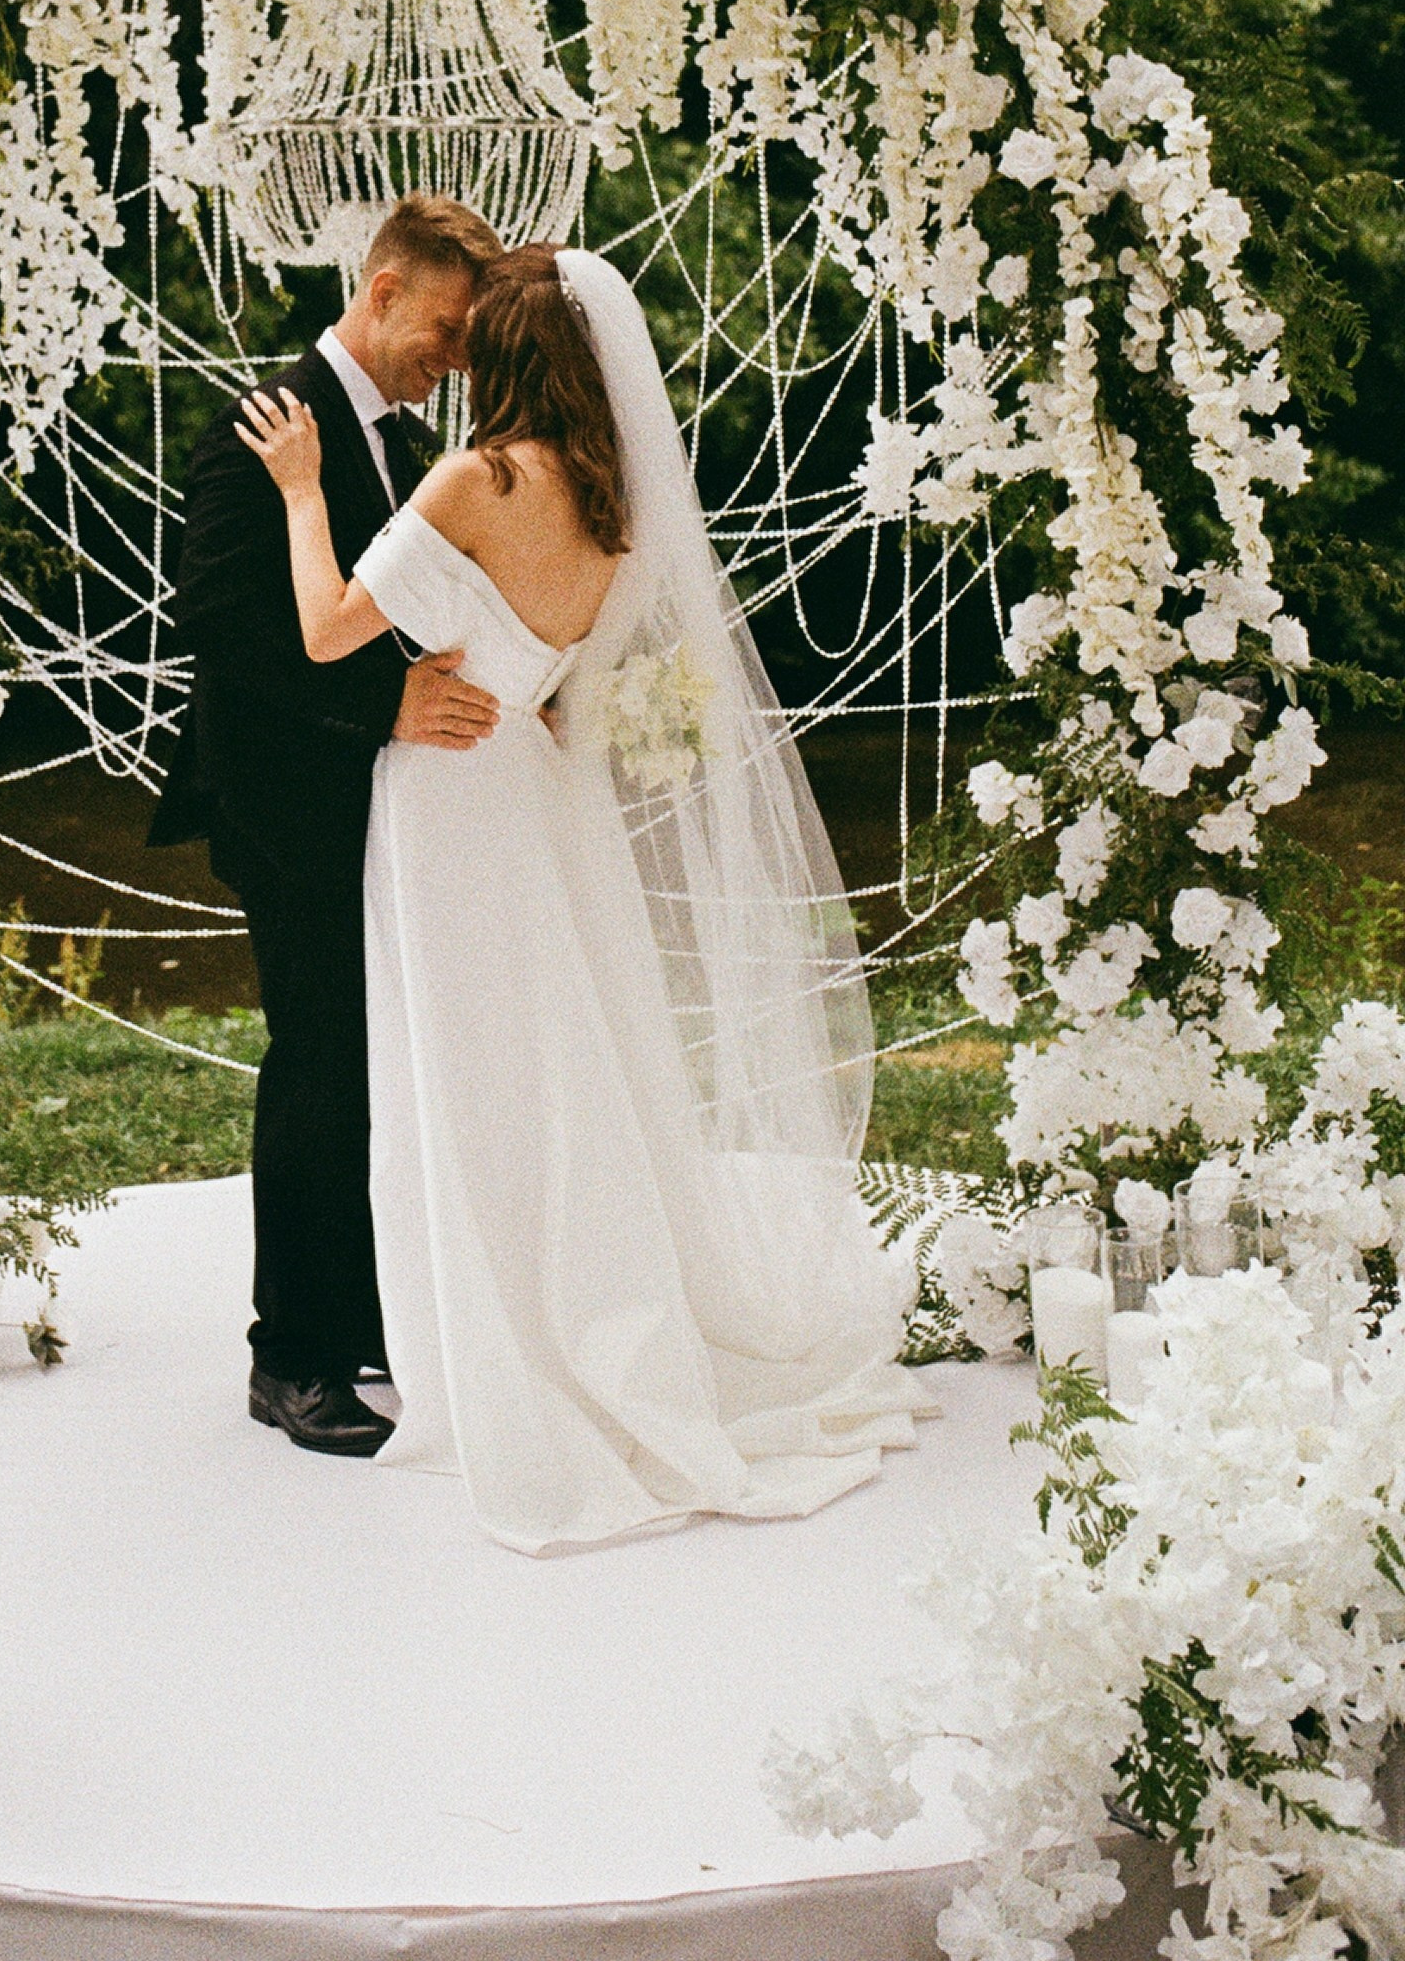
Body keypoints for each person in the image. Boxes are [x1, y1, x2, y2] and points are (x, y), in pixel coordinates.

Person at [235, 242, 921, 1555]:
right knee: (554, 1068)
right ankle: (585, 1313)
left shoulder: (477, 479)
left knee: (468, 1074)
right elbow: (559, 690)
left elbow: (327, 627)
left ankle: (499, 1346)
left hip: (440, 804)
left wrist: (302, 489)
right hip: (531, 798)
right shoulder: (613, 513)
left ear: (507, 357)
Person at [149, 194, 505, 1456]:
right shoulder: (260, 426)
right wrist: (385, 702)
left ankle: (361, 1320)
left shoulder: (391, 444)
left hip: (362, 800)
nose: (452, 359)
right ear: (384, 286)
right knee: (314, 1063)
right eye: (446, 329)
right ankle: (287, 1355)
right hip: (284, 800)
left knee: (367, 1062)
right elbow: (227, 629)